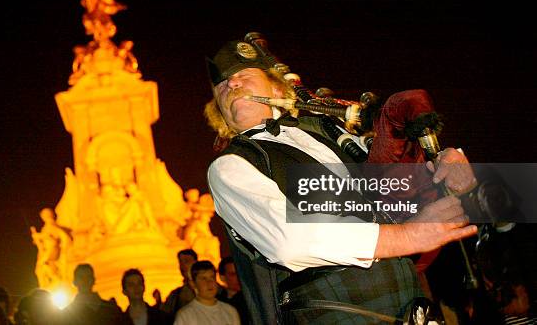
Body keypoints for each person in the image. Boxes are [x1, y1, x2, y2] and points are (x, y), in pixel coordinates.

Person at [204, 38, 479, 324]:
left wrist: (449, 169)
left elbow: (396, 188)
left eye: (244, 76)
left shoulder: (330, 133)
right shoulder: (230, 165)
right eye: (222, 86)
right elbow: (289, 241)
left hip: (411, 305)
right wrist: (408, 236)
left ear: (276, 89)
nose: (232, 85)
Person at [174, 261, 240, 325]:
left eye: (212, 278)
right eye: (203, 279)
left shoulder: (230, 311)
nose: (209, 283)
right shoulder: (185, 315)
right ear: (193, 284)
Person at [161, 249, 198, 316]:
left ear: (196, 263)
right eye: (181, 262)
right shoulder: (175, 295)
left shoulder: (210, 289)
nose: (183, 266)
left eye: (187, 261)